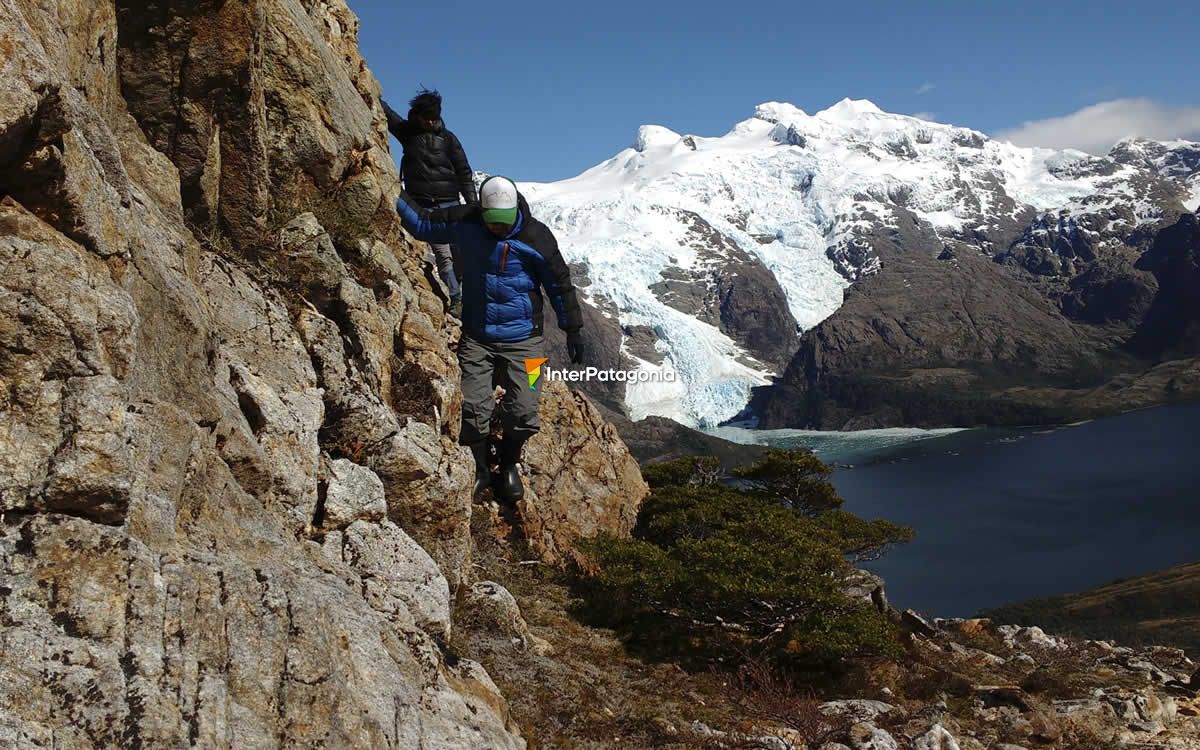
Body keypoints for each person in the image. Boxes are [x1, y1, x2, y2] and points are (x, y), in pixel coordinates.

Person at [395, 175, 585, 502]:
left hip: (527, 341)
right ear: (481, 211)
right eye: (491, 222)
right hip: (476, 336)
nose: (497, 229)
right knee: (471, 405)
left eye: (504, 223)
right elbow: (423, 225)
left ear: (516, 212)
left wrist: (574, 328)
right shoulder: (466, 221)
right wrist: (387, 182)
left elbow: (560, 285)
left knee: (525, 409)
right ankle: (481, 468)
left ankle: (509, 463)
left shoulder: (537, 237)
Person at [383, 89, 477, 316]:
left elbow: (464, 173)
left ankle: (461, 288)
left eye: (433, 118)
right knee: (443, 254)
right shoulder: (408, 133)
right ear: (417, 115)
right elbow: (387, 114)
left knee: (461, 252)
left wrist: (472, 205)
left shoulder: (449, 139)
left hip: (451, 204)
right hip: (426, 208)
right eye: (426, 118)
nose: (430, 122)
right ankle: (456, 298)